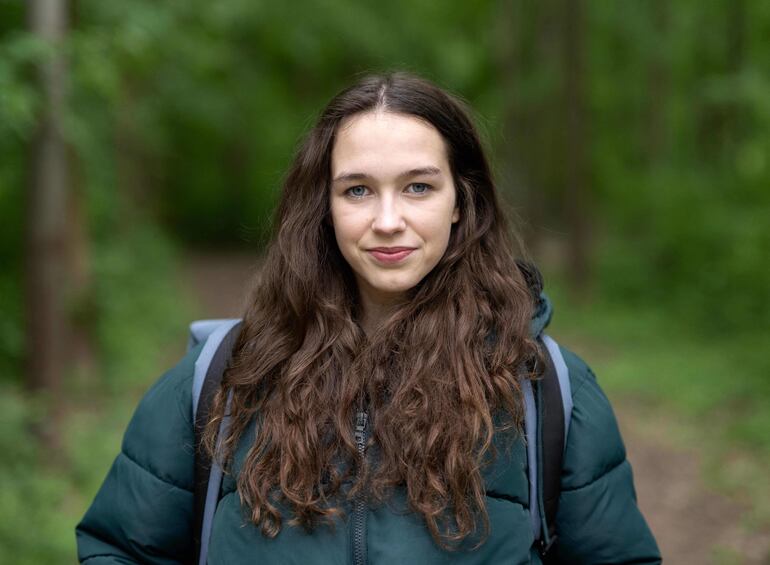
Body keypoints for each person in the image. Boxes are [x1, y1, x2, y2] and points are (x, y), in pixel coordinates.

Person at [76, 72, 661, 564]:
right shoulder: (224, 379)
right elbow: (117, 547)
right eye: (357, 190)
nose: (387, 220)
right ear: (323, 208)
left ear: (461, 201)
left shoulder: (547, 390)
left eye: (418, 187)